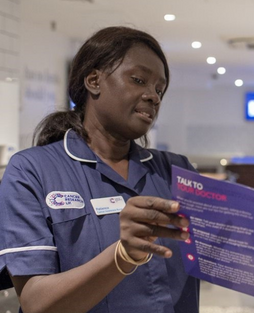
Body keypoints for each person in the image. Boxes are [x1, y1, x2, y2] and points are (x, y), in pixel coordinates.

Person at [0, 26, 199, 313]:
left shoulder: (175, 170)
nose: (153, 97)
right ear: (94, 80)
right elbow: (35, 302)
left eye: (159, 89)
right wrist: (121, 256)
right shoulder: (33, 170)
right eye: (139, 80)